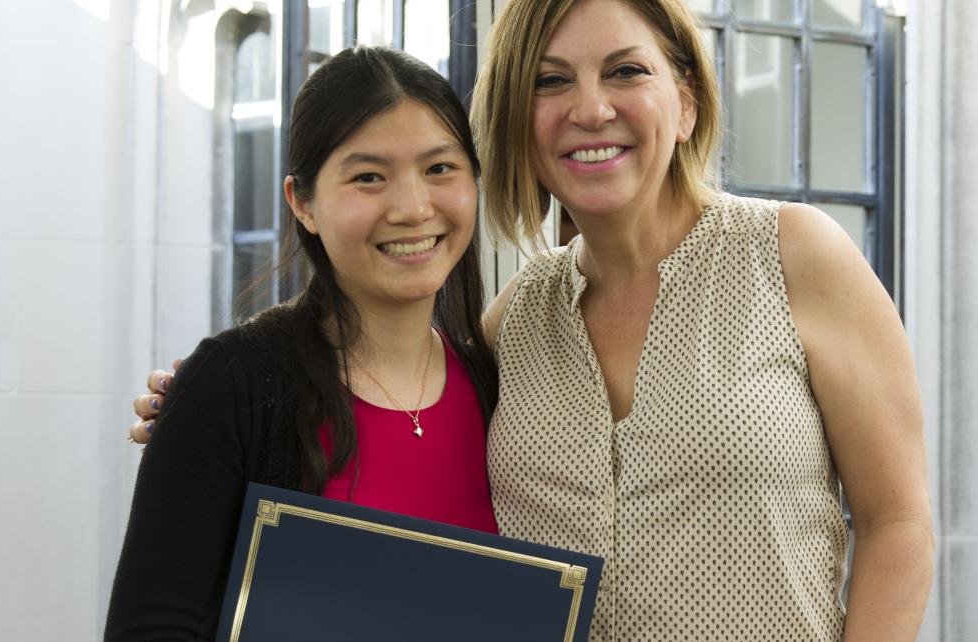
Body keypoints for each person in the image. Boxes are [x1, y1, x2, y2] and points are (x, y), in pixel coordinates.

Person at [133, 0, 933, 639]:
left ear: (685, 103)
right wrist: (206, 406)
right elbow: (375, 386)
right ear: (522, 120)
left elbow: (897, 521)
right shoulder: (514, 322)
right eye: (550, 82)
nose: (590, 109)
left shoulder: (794, 256)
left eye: (625, 71)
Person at [105, 45, 499, 640]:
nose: (414, 207)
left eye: (440, 168)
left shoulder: (499, 386)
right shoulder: (233, 385)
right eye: (368, 177)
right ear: (303, 203)